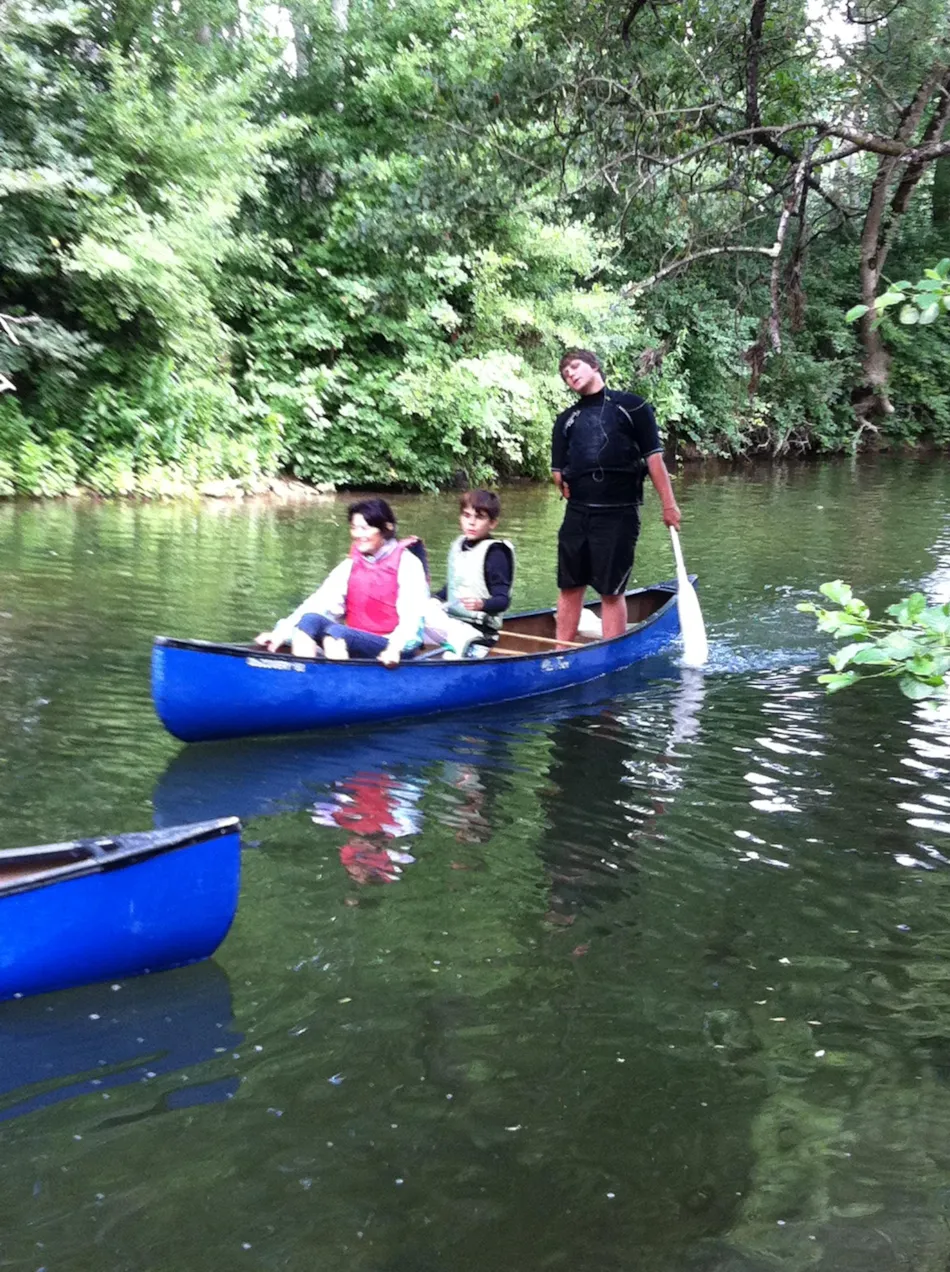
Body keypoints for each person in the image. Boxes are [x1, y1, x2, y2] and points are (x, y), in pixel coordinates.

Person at [551, 349, 681, 643]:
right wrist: (564, 483)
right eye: (565, 373)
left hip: (619, 512)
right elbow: (557, 473)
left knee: (611, 590)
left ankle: (610, 652)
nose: (569, 373)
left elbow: (654, 460)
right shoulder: (566, 420)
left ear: (595, 366)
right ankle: (561, 652)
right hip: (578, 514)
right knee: (569, 586)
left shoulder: (633, 407)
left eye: (574, 366)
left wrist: (669, 505)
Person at [255, 498, 428, 666]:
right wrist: (280, 633)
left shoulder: (408, 564)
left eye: (365, 528)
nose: (358, 534)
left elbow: (412, 620)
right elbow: (318, 603)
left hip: (394, 645)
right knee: (308, 621)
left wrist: (394, 649)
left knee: (337, 633)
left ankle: (337, 685)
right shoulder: (350, 565)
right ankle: (306, 678)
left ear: (387, 528)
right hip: (354, 638)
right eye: (354, 528)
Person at [423, 489, 515, 658]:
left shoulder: (496, 554)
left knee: (449, 651)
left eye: (479, 517)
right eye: (466, 515)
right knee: (418, 614)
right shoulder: (459, 545)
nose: (471, 523)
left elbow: (503, 600)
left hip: (479, 633)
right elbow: (453, 587)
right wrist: (435, 599)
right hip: (453, 623)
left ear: (493, 523)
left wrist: (482, 604)